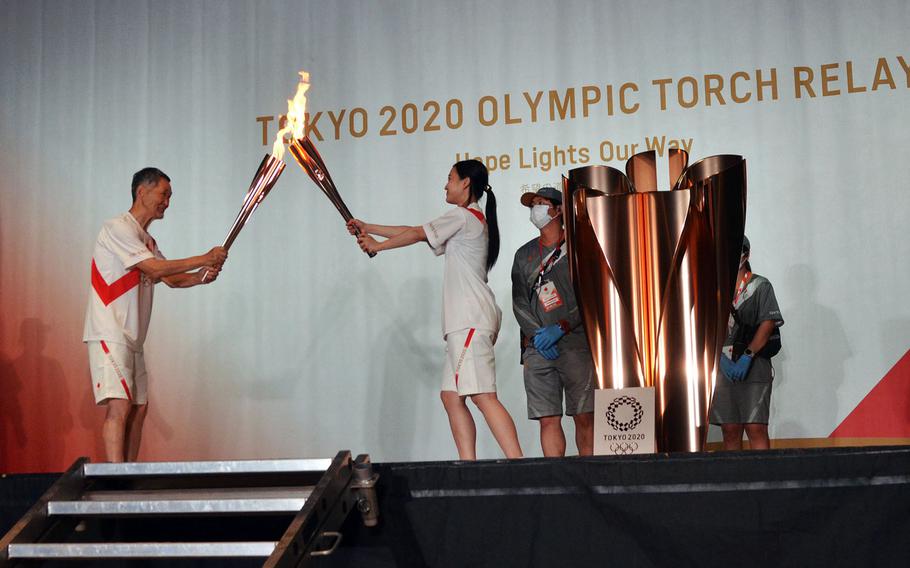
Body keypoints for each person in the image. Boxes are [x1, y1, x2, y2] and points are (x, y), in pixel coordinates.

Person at [347, 160, 523, 460]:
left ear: (466, 183)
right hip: (464, 320)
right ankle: (468, 467)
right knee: (452, 397)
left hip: (469, 318)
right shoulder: (468, 219)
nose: (446, 185)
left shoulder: (464, 216)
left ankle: (519, 464)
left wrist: (378, 245)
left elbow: (416, 233)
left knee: (483, 395)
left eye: (450, 178)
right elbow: (417, 231)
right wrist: (369, 227)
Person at [83, 167, 227, 463]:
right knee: (120, 407)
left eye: (170, 196)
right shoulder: (117, 228)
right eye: (164, 194)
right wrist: (205, 257)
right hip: (110, 330)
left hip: (132, 338)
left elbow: (171, 278)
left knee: (139, 408)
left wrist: (202, 276)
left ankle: (129, 473)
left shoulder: (146, 241)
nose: (167, 202)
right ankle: (115, 479)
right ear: (142, 191)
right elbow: (155, 269)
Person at [511, 187, 595, 456]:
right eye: (532, 204)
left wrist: (562, 326)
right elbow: (519, 301)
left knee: (584, 416)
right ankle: (557, 482)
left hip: (576, 345)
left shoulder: (581, 250)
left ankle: (591, 481)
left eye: (541, 203)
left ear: (558, 210)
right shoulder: (524, 255)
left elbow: (592, 299)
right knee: (548, 418)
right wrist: (536, 334)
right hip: (538, 348)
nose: (535, 209)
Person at [710, 236, 784, 450]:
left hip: (753, 363)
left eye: (737, 250)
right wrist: (718, 358)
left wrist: (748, 355)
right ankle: (734, 481)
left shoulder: (760, 285)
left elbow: (768, 323)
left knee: (755, 427)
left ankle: (763, 479)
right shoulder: (712, 288)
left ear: (746, 254)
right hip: (721, 365)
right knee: (730, 429)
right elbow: (703, 328)